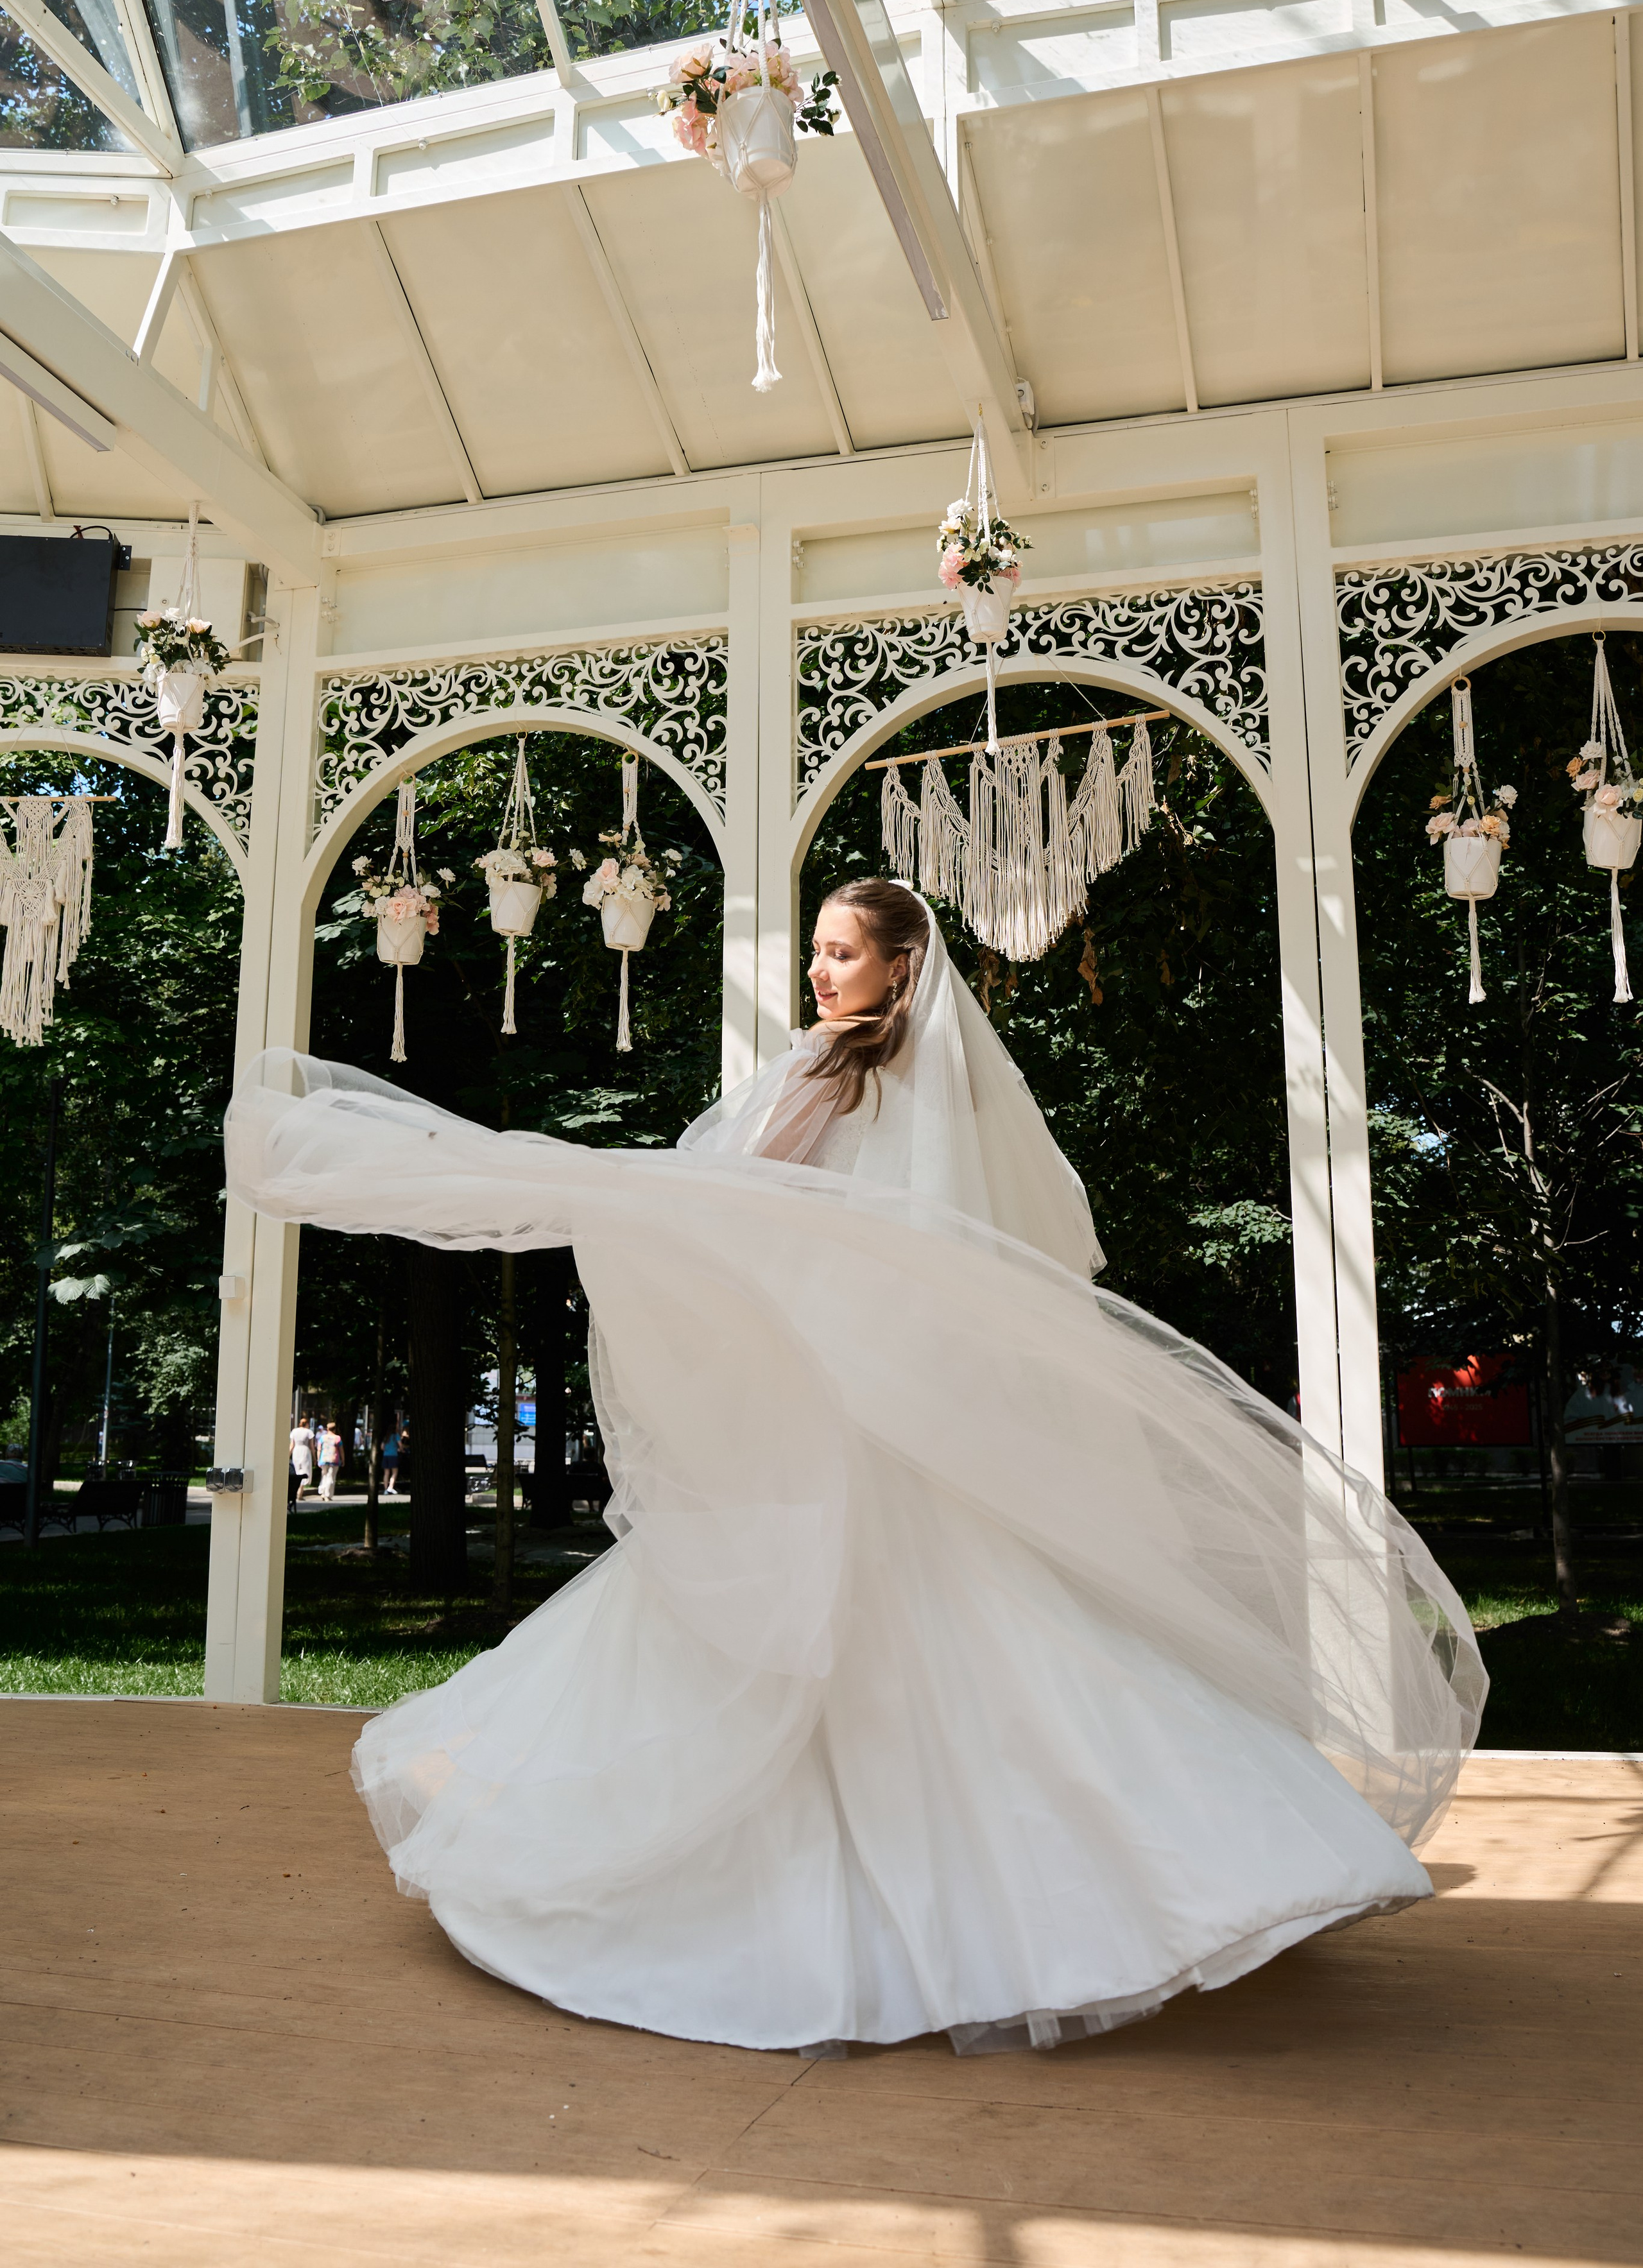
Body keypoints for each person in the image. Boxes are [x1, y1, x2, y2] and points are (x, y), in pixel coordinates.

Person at [225, 880, 1484, 2056]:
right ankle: (1193, 1867)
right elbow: (1029, 1235)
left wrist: (608, 1194)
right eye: (818, 954)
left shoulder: (835, 1070)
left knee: (859, 1642)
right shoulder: (944, 1084)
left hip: (836, 1413)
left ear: (898, 966)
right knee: (1008, 1650)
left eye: (841, 953)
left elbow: (738, 1199)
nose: (820, 974)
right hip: (889, 1406)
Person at [288, 1416, 314, 1502]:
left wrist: (288, 1455)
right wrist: (314, 1458)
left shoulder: (295, 1431)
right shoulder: (309, 1432)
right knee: (305, 1472)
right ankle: (300, 1493)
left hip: (296, 1451)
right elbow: (311, 1446)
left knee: (297, 1471)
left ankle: (298, 1493)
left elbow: (292, 1445)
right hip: (305, 1452)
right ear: (307, 1424)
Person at [317, 1420, 343, 1500]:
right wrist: (343, 1459)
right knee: (331, 1477)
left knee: (324, 1476)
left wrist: (318, 1459)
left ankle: (322, 1492)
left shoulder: (322, 1438)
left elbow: (319, 1449)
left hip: (324, 1459)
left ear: (328, 1429)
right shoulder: (337, 1438)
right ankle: (328, 1494)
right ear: (335, 1429)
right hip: (334, 1460)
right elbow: (341, 1450)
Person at [381, 1425, 402, 1495]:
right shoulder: (396, 1436)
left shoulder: (386, 1437)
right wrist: (401, 1450)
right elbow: (400, 1445)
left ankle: (385, 1489)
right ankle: (390, 1487)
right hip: (393, 1455)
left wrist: (386, 1450)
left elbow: (382, 1447)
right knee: (394, 1473)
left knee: (386, 1473)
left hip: (386, 1455)